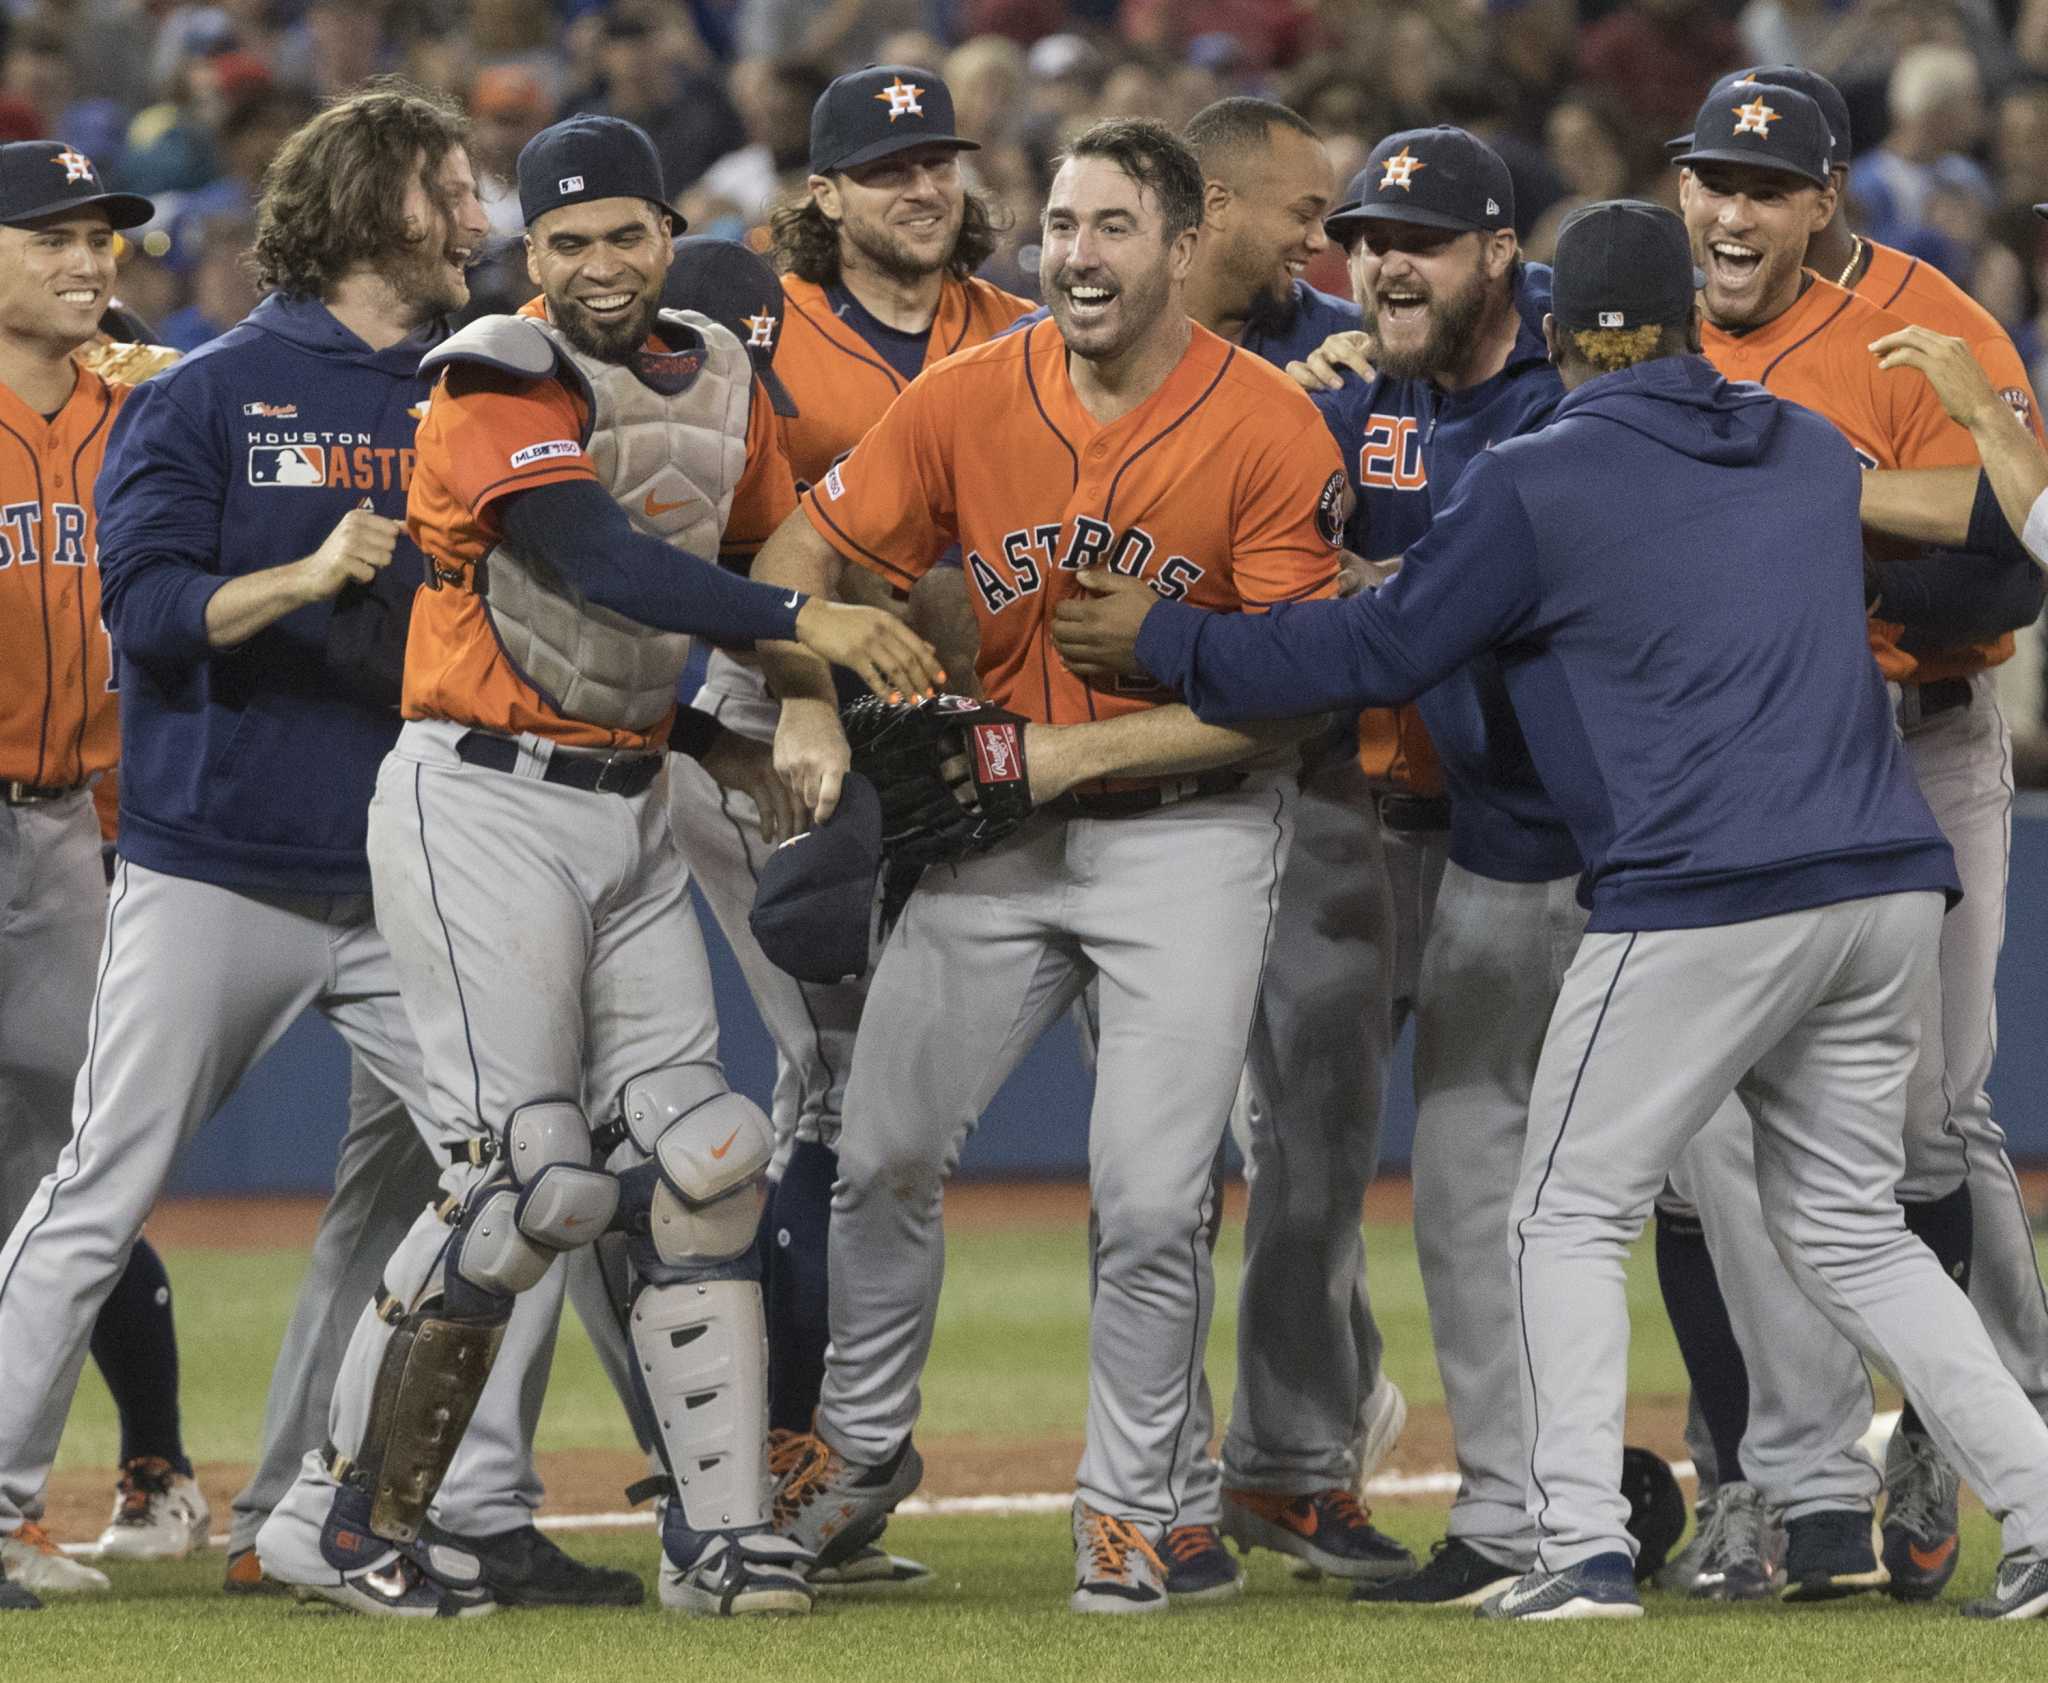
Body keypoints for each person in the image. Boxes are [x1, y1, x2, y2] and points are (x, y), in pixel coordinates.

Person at [1051, 195, 2048, 1626]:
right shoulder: (1804, 442)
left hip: (1704, 891)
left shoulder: (1545, 472)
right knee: (1850, 1226)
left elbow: (1379, 644)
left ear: (1568, 334)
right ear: (1689, 322)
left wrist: (1167, 635)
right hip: (1883, 882)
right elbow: (1969, 533)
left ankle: (1575, 1544)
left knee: (1561, 1210)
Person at [256, 111, 935, 1620]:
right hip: (476, 805)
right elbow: (597, 562)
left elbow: (777, 554)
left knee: (704, 1162)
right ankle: (337, 1516)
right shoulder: (494, 370)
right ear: (528, 252)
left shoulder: (723, 369)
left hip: (628, 795)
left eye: (624, 232)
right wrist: (805, 642)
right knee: (527, 1181)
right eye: (566, 241)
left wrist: (771, 722)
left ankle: (724, 1533)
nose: (599, 264)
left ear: (667, 227)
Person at [0, 82, 632, 1619]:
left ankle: (444, 1509)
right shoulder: (209, 394)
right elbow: (141, 617)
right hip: (214, 863)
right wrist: (299, 576)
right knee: (102, 1182)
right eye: (451, 193)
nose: (478, 221)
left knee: (523, 1181)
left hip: (417, 870)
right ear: (371, 208)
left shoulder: (476, 384)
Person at [754, 116, 1346, 1616]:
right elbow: (793, 565)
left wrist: (1069, 755)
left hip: (1194, 839)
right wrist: (818, 688)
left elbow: (1298, 690)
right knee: (879, 1151)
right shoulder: (964, 396)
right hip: (991, 837)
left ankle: (1135, 1506)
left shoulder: (1271, 423)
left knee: (1152, 1200)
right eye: (1060, 226)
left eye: (1108, 228)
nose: (1074, 256)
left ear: (1180, 242)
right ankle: (861, 1454)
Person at [1639, 66, 2048, 1607]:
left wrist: (1803, 507)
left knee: (1934, 1117)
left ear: (1826, 201)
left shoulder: (1927, 322)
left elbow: (2010, 562)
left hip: (1920, 741)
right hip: (1725, 757)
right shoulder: (1641, 318)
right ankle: (1746, 1466)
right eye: (1711, 182)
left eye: (1765, 189)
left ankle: (1947, 1430)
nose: (1731, 212)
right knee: (1696, 1143)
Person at [666, 62, 1031, 1590]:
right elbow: (716, 543)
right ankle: (783, 1458)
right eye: (883, 166)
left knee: (860, 1101)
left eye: (934, 157)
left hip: (942, 742)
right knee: (839, 1085)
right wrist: (798, 687)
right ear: (821, 194)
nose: (917, 185)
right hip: (775, 732)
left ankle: (793, 1457)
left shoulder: (1014, 329)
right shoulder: (751, 328)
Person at [1281, 124, 1578, 1610]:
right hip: (1455, 839)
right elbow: (1265, 547)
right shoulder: (1352, 397)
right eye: (1365, 236)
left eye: (1422, 235)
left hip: (1606, 852)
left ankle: (1807, 1492)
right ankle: (1523, 1511)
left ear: (1498, 252)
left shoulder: (1577, 388)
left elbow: (1456, 600)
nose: (1384, 259)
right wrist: (1287, 405)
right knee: (1460, 1182)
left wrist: (1390, 587)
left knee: (1764, 1190)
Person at [0, 141, 199, 1610]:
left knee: (81, 1161)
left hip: (67, 822)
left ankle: (152, 1468)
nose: (88, 261)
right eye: (50, 236)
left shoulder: (147, 401)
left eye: (102, 239)